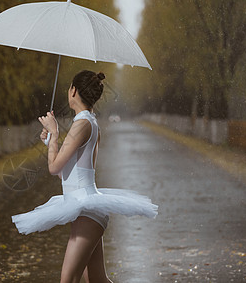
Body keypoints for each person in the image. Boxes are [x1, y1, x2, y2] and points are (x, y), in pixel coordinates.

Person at [11, 70, 158, 283]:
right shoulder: (86, 121)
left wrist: (53, 135)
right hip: (85, 209)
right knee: (98, 280)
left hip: (87, 211)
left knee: (68, 279)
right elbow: (65, 173)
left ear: (74, 90)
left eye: (69, 88)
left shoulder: (82, 124)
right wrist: (51, 138)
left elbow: (53, 168)